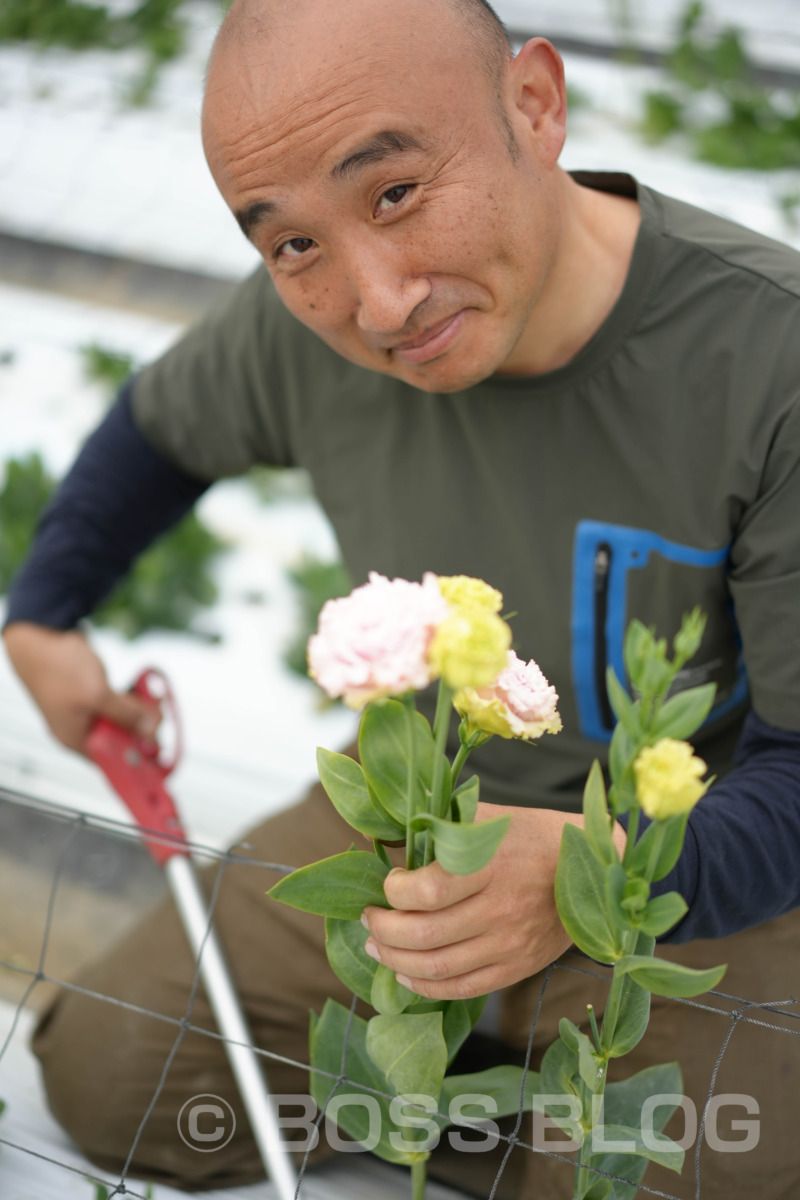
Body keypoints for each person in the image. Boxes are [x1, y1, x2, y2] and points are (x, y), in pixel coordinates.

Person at [4, 0, 800, 1196]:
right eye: (290, 246)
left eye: (392, 193)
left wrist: (595, 871)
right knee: (118, 1075)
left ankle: (533, 1103)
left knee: (691, 1174)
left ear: (534, 104)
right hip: (416, 817)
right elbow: (156, 434)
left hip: (686, 872)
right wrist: (42, 612)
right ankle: (498, 1110)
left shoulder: (764, 357)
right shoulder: (304, 331)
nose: (377, 304)